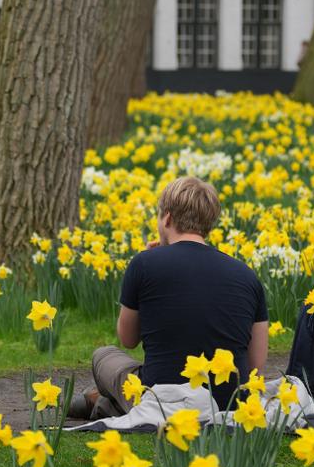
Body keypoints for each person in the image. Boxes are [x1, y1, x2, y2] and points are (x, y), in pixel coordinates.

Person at [70, 176, 269, 419]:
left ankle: (104, 403)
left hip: (160, 396)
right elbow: (255, 364)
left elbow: (128, 339)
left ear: (167, 218)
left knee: (104, 356)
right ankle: (103, 405)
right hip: (228, 402)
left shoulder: (144, 264)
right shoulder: (247, 276)